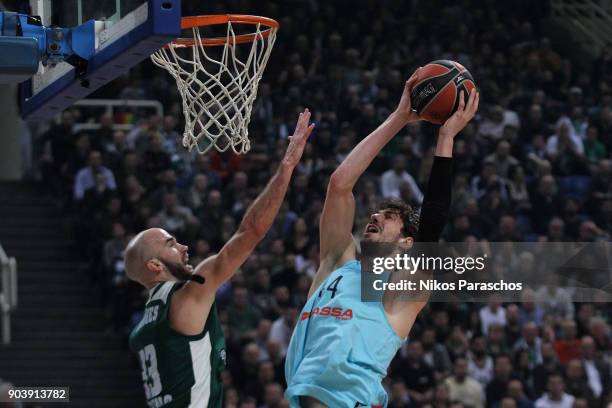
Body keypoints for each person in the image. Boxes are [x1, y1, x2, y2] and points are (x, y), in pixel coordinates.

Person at [284, 70, 479, 407]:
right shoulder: (336, 264)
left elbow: (431, 225)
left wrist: (446, 138)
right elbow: (340, 185)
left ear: (406, 242)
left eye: (389, 219)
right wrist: (399, 117)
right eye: (375, 215)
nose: (374, 218)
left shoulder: (400, 294)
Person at [125, 110, 315, 408]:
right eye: (171, 244)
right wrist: (287, 166)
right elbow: (251, 231)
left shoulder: (144, 326)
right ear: (155, 265)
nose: (184, 247)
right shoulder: (186, 296)